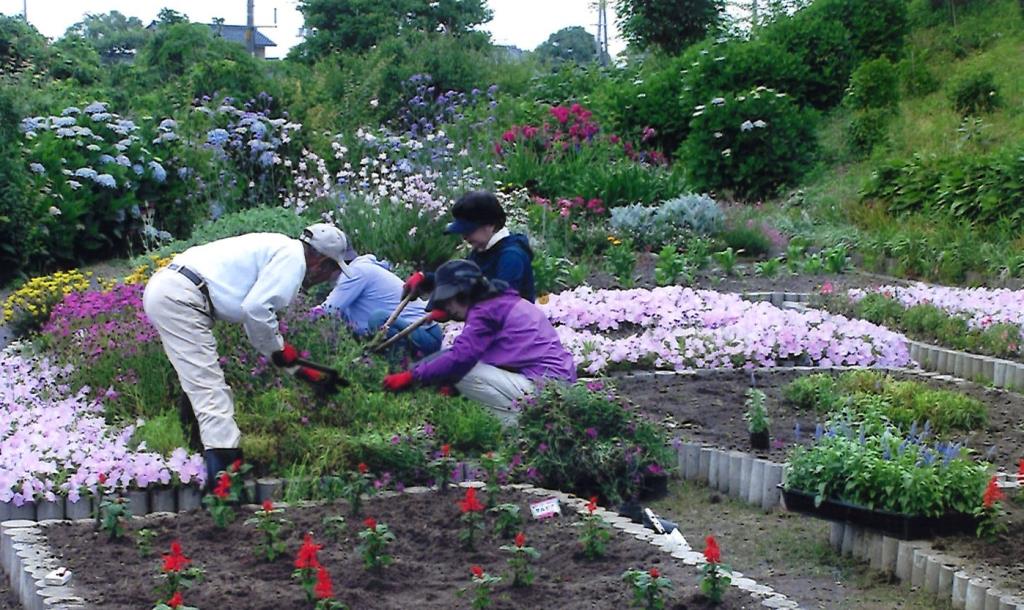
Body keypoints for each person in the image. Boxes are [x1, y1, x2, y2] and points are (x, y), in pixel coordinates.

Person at [143, 224, 349, 488]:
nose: (328, 279)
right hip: (181, 297)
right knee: (210, 391)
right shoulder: (293, 260)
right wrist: (290, 362)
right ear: (321, 261)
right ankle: (224, 489)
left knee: (197, 382)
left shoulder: (279, 244)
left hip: (172, 288)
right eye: (332, 271)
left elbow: (255, 315)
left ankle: (197, 459)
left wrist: (297, 367)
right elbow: (257, 311)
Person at [382, 259, 576, 425]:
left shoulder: (485, 312)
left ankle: (516, 426)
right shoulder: (498, 299)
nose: (448, 308)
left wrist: (412, 376)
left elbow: (460, 358)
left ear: (463, 293)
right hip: (555, 385)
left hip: (546, 390)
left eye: (448, 301)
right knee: (459, 367)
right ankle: (520, 422)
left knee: (463, 370)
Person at [319, 236, 442, 358]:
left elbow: (326, 311)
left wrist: (303, 318)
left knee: (379, 318)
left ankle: (399, 369)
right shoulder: (351, 278)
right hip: (414, 334)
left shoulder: (356, 272)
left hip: (426, 334)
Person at [404, 190, 536, 303]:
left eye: (469, 230)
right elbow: (459, 280)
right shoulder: (481, 251)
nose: (464, 236)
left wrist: (452, 306)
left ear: (490, 225)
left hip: (513, 330)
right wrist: (424, 279)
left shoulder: (511, 256)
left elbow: (501, 302)